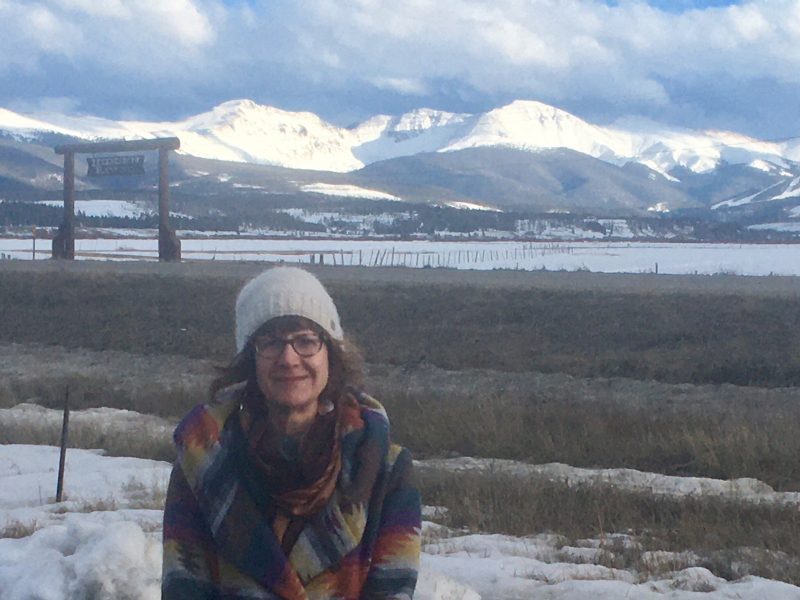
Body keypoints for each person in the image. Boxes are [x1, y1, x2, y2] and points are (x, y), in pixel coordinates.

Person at [161, 267, 421, 599]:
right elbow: (184, 588)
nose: (288, 358)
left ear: (331, 353)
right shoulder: (203, 461)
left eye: (306, 341)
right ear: (249, 359)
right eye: (270, 342)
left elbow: (393, 591)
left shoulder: (385, 469)